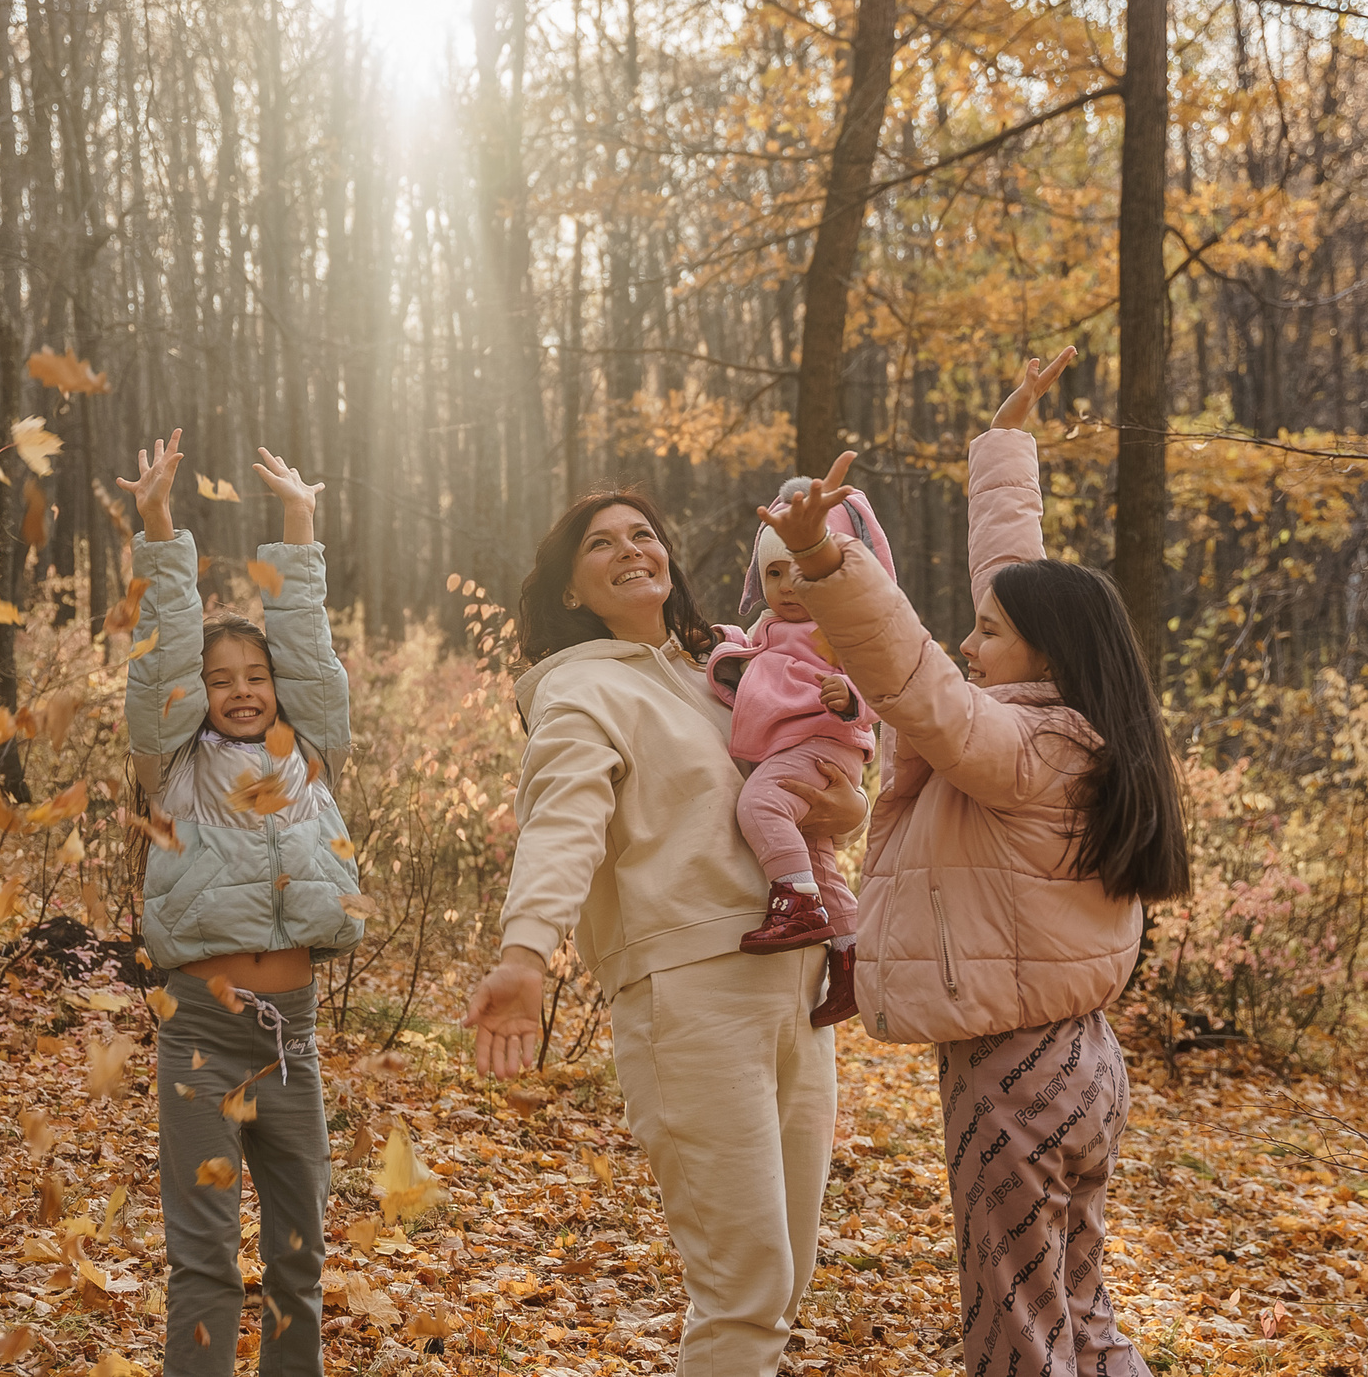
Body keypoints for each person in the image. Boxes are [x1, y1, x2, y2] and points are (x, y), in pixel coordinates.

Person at [764, 349, 1191, 1377]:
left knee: (1016, 1332)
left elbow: (914, 680)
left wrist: (824, 564)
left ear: (1043, 655)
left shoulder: (1021, 753)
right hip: (1078, 1057)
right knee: (1075, 1313)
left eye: (990, 635)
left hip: (1013, 1070)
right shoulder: (1078, 731)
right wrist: (1005, 445)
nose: (969, 639)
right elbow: (1015, 581)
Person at [461, 490, 869, 1376]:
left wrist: (853, 804)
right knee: (746, 1291)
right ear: (572, 589)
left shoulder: (728, 670)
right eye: (601, 543)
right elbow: (561, 821)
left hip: (798, 990)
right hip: (691, 1000)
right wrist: (525, 952)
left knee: (786, 1283)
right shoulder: (579, 690)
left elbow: (819, 783)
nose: (631, 548)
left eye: (645, 532)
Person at [120, 432, 366, 1377]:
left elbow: (309, 652)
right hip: (200, 1034)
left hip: (291, 1034)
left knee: (299, 1254)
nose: (241, 692)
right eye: (221, 681)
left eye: (254, 678)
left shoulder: (308, 750)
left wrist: (298, 527)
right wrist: (158, 527)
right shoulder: (174, 761)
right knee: (206, 1257)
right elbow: (161, 667)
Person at [705, 480, 898, 1026]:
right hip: (795, 749)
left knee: (758, 807)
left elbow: (885, 682)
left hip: (823, 745)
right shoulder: (769, 627)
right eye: (772, 572)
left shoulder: (839, 627)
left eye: (797, 567)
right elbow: (747, 656)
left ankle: (797, 906)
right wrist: (721, 646)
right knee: (819, 860)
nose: (786, 585)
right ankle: (851, 963)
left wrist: (851, 699)